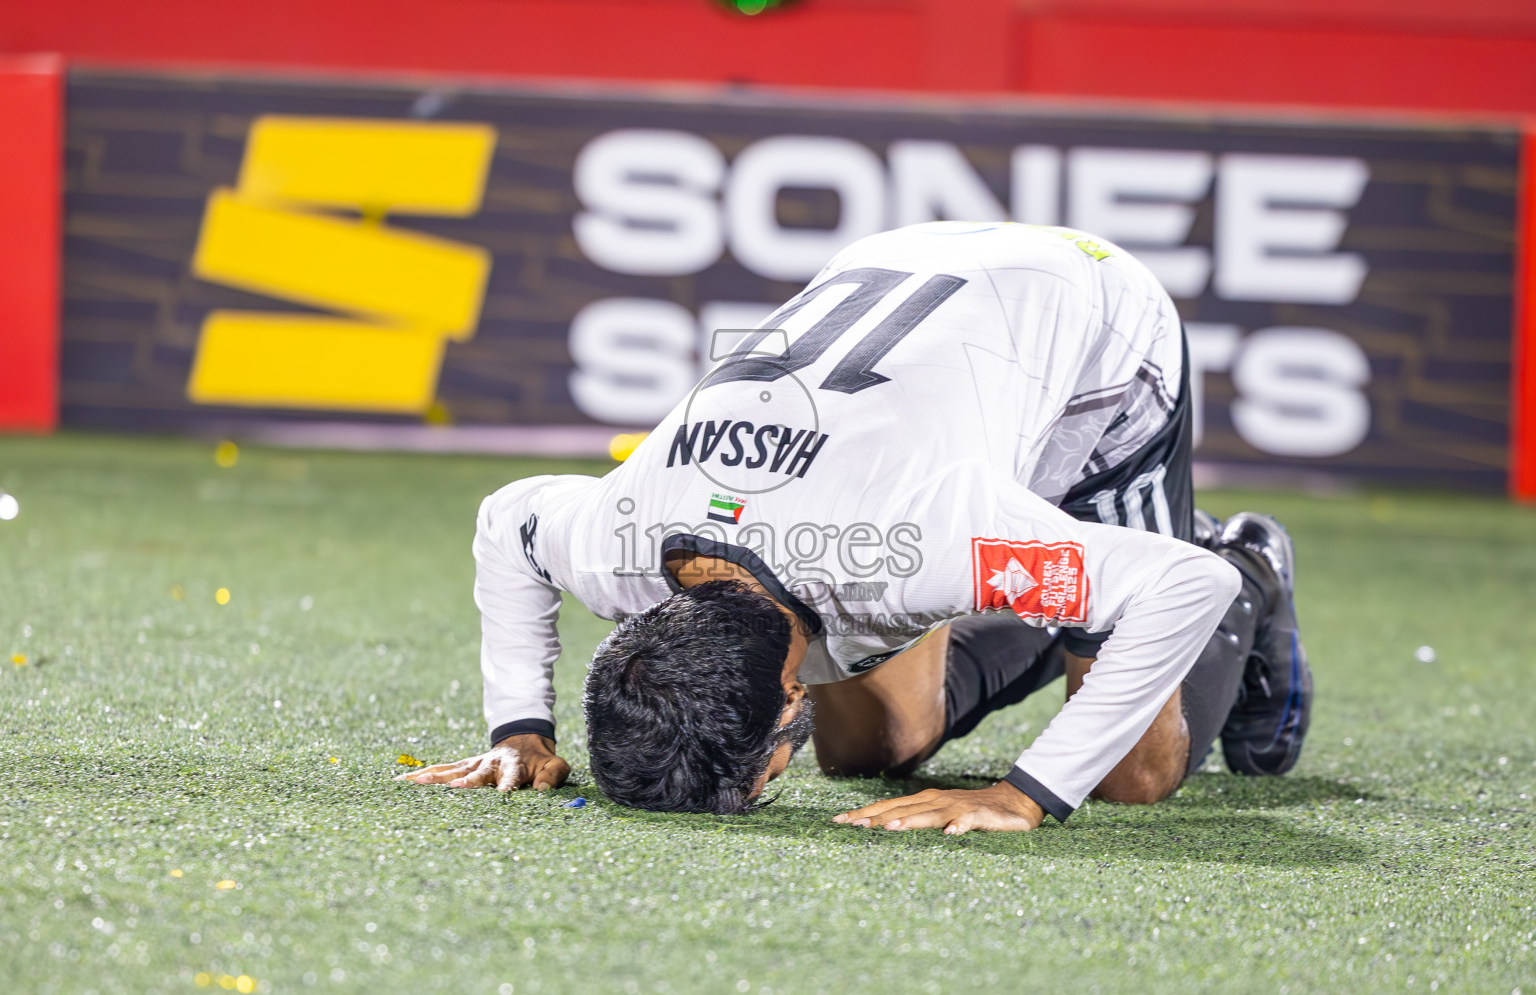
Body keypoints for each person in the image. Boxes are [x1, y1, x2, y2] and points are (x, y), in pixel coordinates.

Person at [398, 221, 1310, 833]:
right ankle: (1049, 605)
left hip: (1089, 320)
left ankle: (1253, 552)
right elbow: (508, 519)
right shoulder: (615, 546)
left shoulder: (922, 546)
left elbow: (1184, 589)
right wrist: (520, 726)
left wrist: (1026, 794)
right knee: (873, 751)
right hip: (913, 295)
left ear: (786, 700)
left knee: (1129, 775)